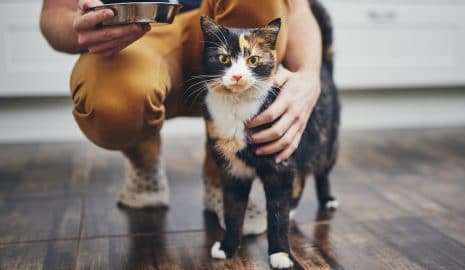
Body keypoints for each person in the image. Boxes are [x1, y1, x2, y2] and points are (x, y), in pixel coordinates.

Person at [40, 0, 322, 235]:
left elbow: (296, 8)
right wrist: (78, 27)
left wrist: (309, 76)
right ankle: (143, 158)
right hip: (133, 37)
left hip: (223, 27)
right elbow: (55, 13)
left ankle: (223, 175)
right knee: (112, 107)